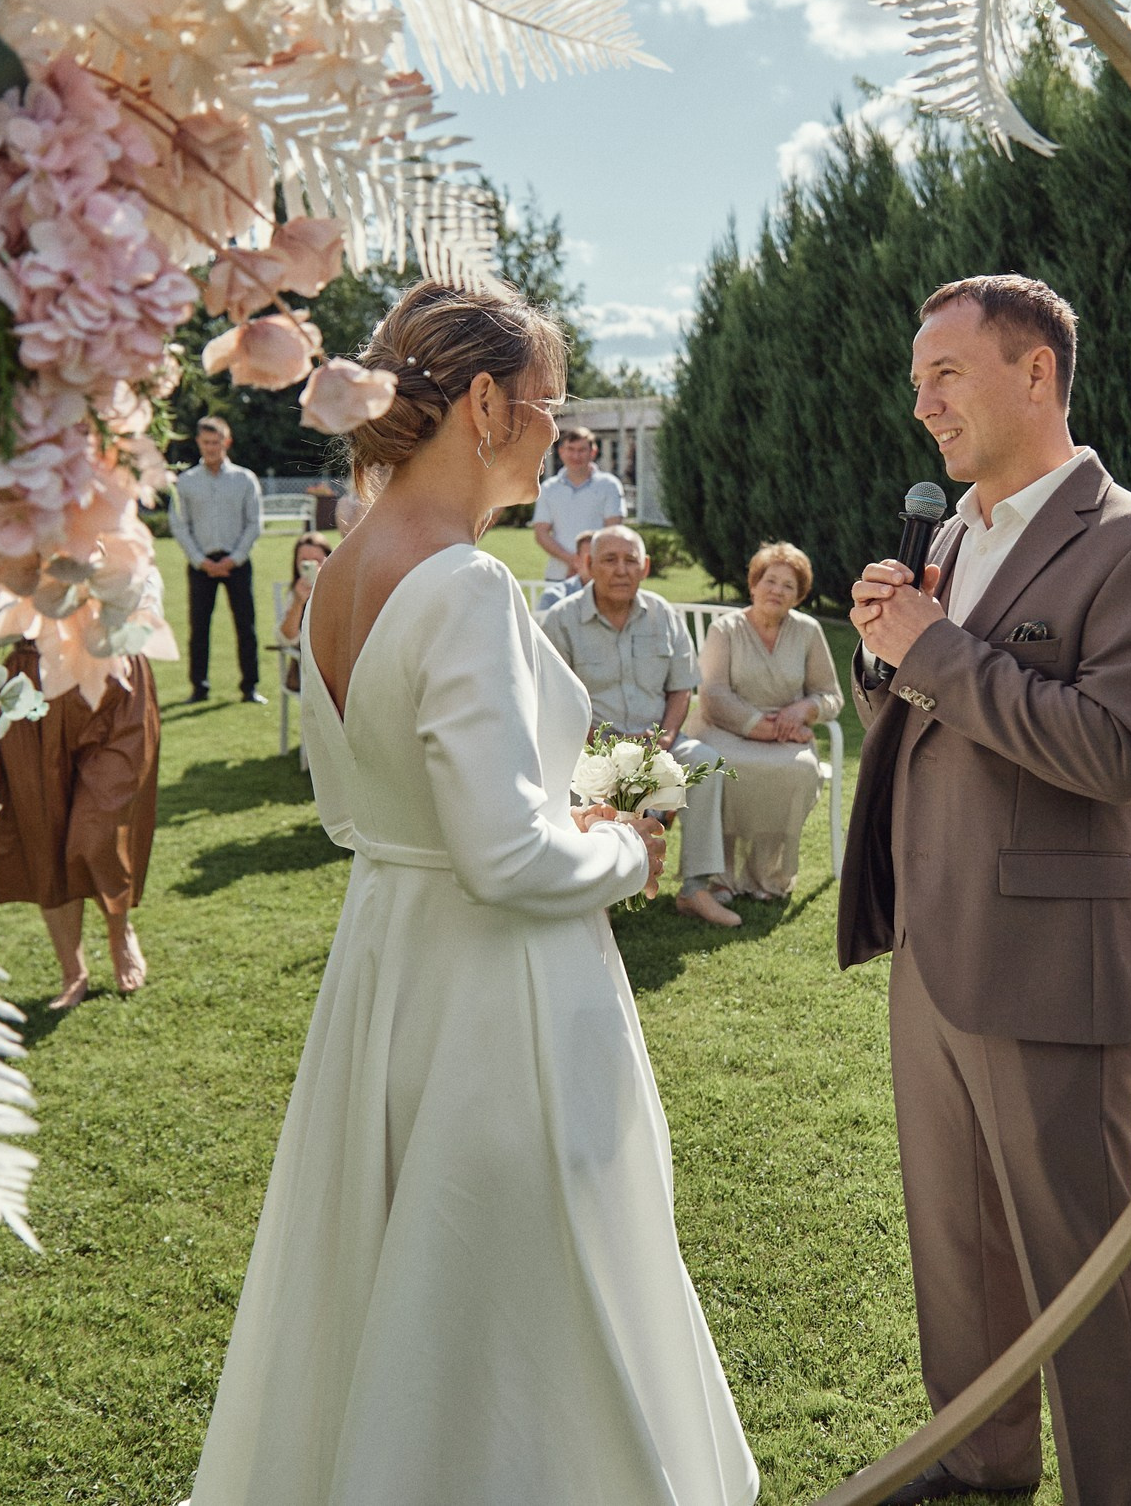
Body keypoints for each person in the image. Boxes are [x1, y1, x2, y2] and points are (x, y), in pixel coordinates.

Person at [191, 280, 756, 1506]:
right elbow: (504, 857)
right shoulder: (461, 583)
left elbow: (373, 805)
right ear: (487, 402)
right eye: (549, 405)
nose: (558, 437)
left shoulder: (342, 571)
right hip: (495, 996)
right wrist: (624, 855)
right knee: (520, 1290)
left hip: (388, 964)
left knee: (399, 1274)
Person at [839, 275, 1131, 1506]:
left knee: (1082, 1273)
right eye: (914, 379)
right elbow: (934, 725)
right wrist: (882, 657)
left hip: (1053, 965)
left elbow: (1113, 752)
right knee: (958, 1253)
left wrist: (932, 652)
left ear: (1035, 373)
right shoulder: (948, 536)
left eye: (945, 373)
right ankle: (981, 1461)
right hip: (930, 944)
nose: (922, 402)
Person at [538, 526, 742, 929]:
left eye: (631, 560)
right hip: (590, 749)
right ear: (588, 565)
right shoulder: (561, 621)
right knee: (575, 788)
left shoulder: (664, 614)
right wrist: (596, 746)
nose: (621, 569)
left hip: (658, 742)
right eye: (610, 559)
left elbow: (681, 688)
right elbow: (554, 700)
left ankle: (695, 889)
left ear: (645, 567)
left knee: (705, 763)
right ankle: (594, 892)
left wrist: (665, 738)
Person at [0, 644, 161, 1008]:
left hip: (113, 673)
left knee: (98, 831)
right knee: (43, 833)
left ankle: (119, 931)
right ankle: (72, 971)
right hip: (32, 678)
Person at [691, 541, 841, 901]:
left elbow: (830, 694)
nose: (777, 590)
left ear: (799, 595)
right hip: (726, 729)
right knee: (720, 768)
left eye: (788, 585)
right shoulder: (724, 630)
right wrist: (766, 728)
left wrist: (802, 712)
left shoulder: (807, 631)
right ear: (754, 584)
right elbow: (713, 695)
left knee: (799, 771)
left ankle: (769, 877)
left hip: (789, 734)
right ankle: (720, 878)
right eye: (770, 581)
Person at [170, 415, 265, 705]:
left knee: (245, 626)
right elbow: (179, 524)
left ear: (227, 442)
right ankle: (199, 687)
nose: (211, 448)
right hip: (201, 565)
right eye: (206, 442)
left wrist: (234, 558)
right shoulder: (185, 482)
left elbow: (254, 522)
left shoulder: (244, 479)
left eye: (216, 442)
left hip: (236, 562)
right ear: (199, 442)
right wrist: (200, 560)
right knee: (199, 628)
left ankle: (249, 688)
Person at [531, 423, 624, 608]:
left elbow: (613, 531)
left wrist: (587, 564)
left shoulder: (609, 485)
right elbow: (541, 533)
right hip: (558, 576)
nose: (576, 455)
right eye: (570, 449)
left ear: (593, 451)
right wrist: (573, 560)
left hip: (599, 576)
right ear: (561, 451)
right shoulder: (549, 488)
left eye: (582, 450)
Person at [277, 531, 333, 694]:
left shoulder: (341, 589)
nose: (311, 565)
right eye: (304, 561)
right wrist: (298, 602)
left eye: (317, 561)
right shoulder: (295, 594)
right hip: (310, 667)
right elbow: (287, 638)